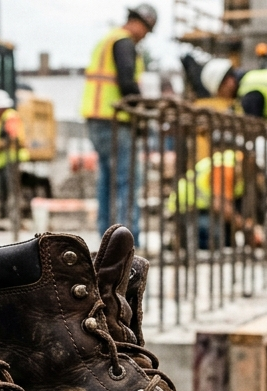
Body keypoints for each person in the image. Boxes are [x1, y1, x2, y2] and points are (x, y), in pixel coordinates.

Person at [81, 3, 156, 236]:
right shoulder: (124, 42)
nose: (145, 37)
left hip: (98, 120)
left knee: (107, 180)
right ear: (139, 23)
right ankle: (128, 239)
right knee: (128, 180)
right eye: (147, 30)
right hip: (114, 122)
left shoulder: (109, 39)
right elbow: (127, 83)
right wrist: (142, 116)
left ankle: (106, 236)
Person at [0, 89, 29, 219]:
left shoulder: (10, 117)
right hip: (2, 161)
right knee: (2, 191)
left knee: (12, 191)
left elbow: (13, 137)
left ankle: (14, 217)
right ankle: (4, 217)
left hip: (11, 159)